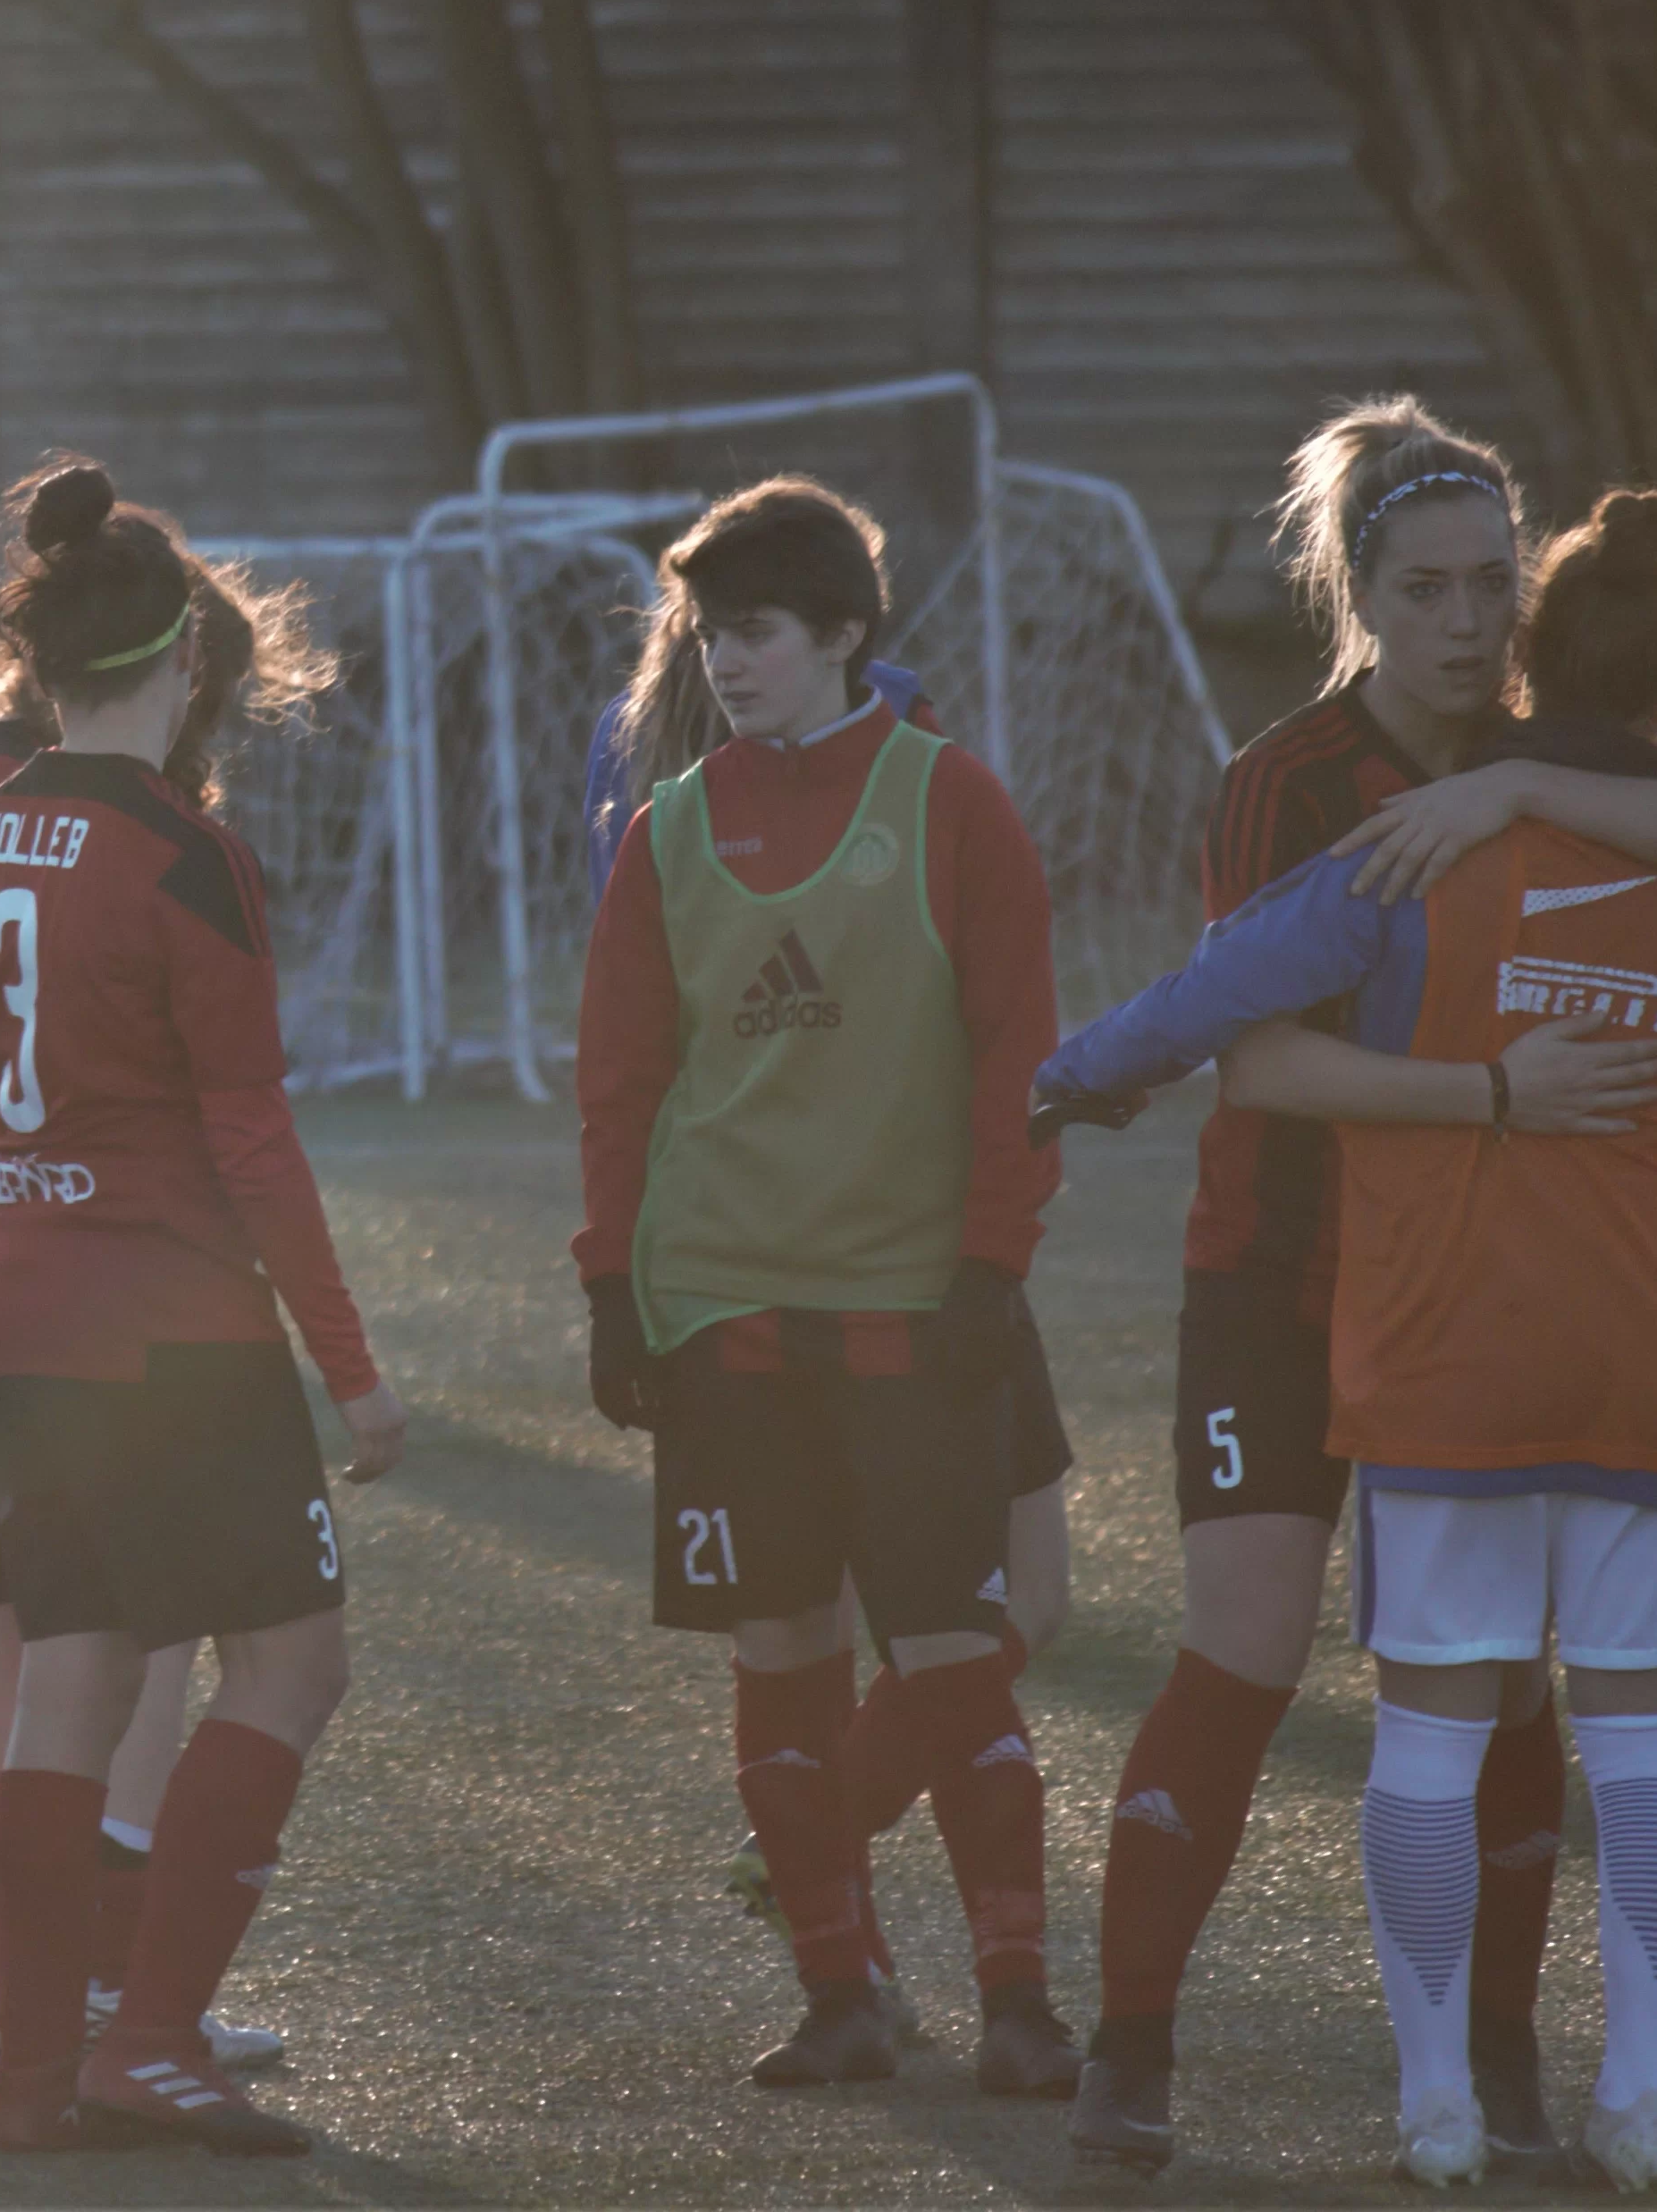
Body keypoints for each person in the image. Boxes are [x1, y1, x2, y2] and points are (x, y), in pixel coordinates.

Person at [1058, 399, 1657, 2173]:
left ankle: (1498, 2062)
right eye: (1426, 587)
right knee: (1248, 1643)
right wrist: (1493, 1096)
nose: (1465, 621)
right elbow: (1256, 1063)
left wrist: (1509, 780)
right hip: (1282, 1273)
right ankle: (1128, 2048)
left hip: (1477, 1312)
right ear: (1358, 596)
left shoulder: (1553, 773)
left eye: (1494, 584)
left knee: (1500, 1689)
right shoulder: (1292, 781)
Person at [0, 458, 407, 2155]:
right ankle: (154, 2034)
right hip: (178, 1342)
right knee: (291, 1663)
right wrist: (351, 1376)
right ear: (193, 664)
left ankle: (34, 2073)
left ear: (40, 667)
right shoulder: (190, 857)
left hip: (24, 1321)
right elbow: (252, 1144)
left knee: (78, 1679)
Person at [570, 477, 1076, 2102]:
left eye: (762, 632)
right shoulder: (666, 833)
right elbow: (622, 1085)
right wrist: (612, 1291)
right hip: (727, 1310)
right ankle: (841, 1992)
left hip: (913, 1306)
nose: (730, 661)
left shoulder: (949, 803)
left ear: (850, 635)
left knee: (952, 1653)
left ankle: (1020, 2001)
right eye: (712, 634)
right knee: (779, 1656)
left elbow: (1022, 1053)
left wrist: (993, 1263)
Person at [0, 545, 293, 2074]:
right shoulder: (77, 808)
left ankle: (2, 1980)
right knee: (131, 1608)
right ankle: (98, 1977)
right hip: (27, 1209)